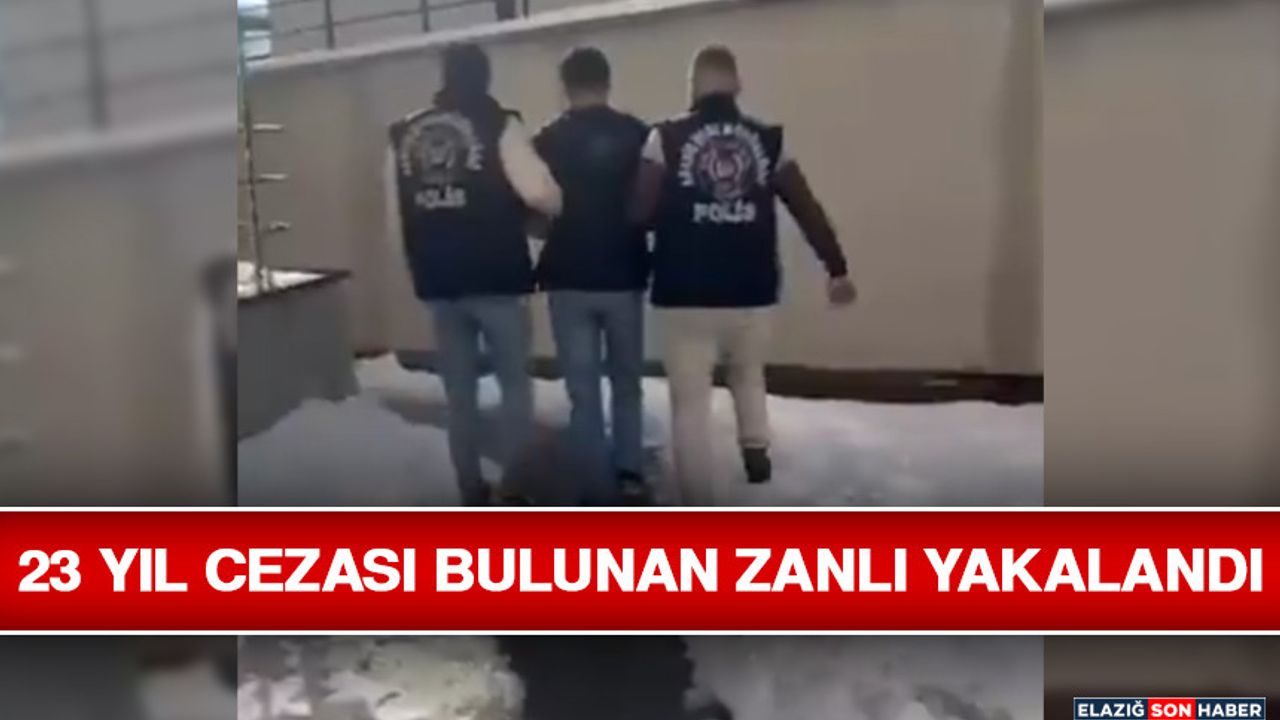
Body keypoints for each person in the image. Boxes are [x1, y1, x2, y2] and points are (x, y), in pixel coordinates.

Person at [631, 45, 856, 503]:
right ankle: (756, 452)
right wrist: (836, 268)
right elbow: (806, 207)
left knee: (690, 404)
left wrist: (671, 216)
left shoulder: (663, 138)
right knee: (749, 372)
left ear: (693, 86)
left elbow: (638, 212)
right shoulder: (769, 140)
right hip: (752, 287)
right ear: (737, 84)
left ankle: (698, 501)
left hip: (684, 291)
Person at [385, 43, 562, 505]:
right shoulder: (499, 124)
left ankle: (470, 487)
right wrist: (555, 206)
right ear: (485, 77)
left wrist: (416, 270)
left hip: (439, 281)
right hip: (497, 277)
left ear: (445, 76)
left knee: (459, 392)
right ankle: (517, 489)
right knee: (514, 386)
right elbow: (540, 193)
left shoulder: (404, 133)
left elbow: (394, 215)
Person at [532, 47, 651, 504]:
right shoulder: (638, 134)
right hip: (624, 273)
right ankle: (629, 474)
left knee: (582, 390)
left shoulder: (546, 140)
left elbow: (532, 210)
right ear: (607, 82)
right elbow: (650, 203)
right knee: (627, 383)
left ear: (565, 86)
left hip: (568, 276)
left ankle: (592, 485)